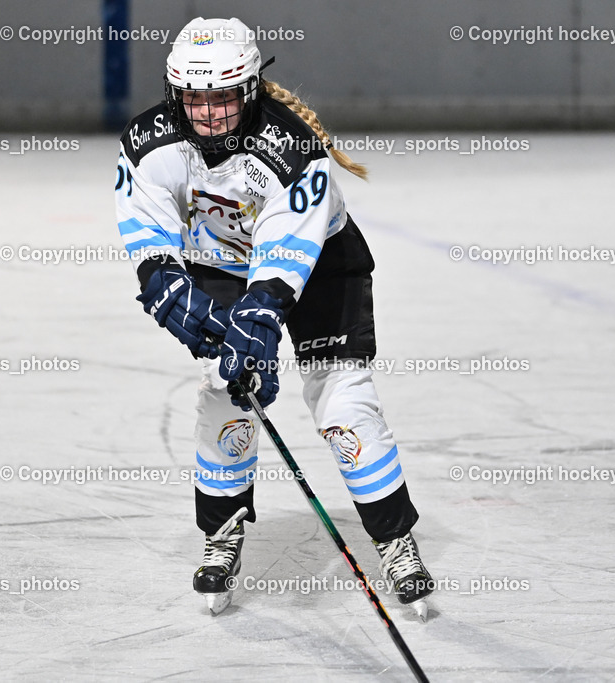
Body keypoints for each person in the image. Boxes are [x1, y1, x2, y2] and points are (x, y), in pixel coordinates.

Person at [115, 17, 433, 616]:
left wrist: (256, 323)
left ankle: (394, 538)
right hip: (222, 260)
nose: (206, 114)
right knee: (222, 390)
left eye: (222, 99)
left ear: (252, 90)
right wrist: (168, 291)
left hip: (317, 267)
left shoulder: (295, 152)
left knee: (343, 401)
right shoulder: (147, 142)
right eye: (193, 99)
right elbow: (148, 232)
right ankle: (222, 532)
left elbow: (288, 257)